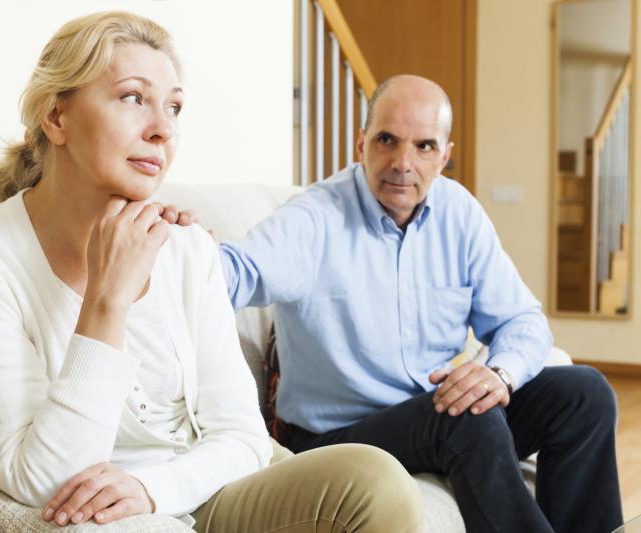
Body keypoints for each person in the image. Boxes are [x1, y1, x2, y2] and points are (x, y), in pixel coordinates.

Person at [0, 12, 422, 532]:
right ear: (56, 117)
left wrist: (150, 489)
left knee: (377, 481)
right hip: (126, 507)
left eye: (174, 107)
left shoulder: (186, 246)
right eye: (132, 97)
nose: (162, 129)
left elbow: (241, 435)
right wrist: (107, 300)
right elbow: (43, 481)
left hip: (209, 480)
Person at [219, 74, 623, 533]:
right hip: (339, 438)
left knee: (585, 394)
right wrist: (183, 248)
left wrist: (498, 374)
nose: (402, 163)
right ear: (362, 144)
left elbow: (522, 319)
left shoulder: (459, 212)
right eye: (387, 140)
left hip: (431, 416)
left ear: (444, 155)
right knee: (462, 414)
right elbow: (235, 272)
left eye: (424, 146)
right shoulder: (315, 217)